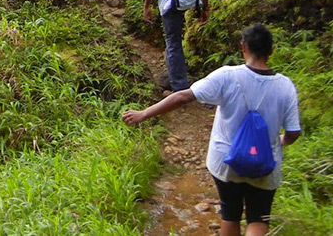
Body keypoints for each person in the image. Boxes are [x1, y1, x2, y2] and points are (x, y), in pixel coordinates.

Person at [123, 24, 301, 235]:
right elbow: (293, 132)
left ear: (243, 47)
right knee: (259, 217)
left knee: (230, 213)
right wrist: (281, 141)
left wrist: (144, 113)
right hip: (265, 163)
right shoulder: (285, 86)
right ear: (271, 51)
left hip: (226, 161)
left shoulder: (227, 76)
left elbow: (183, 96)